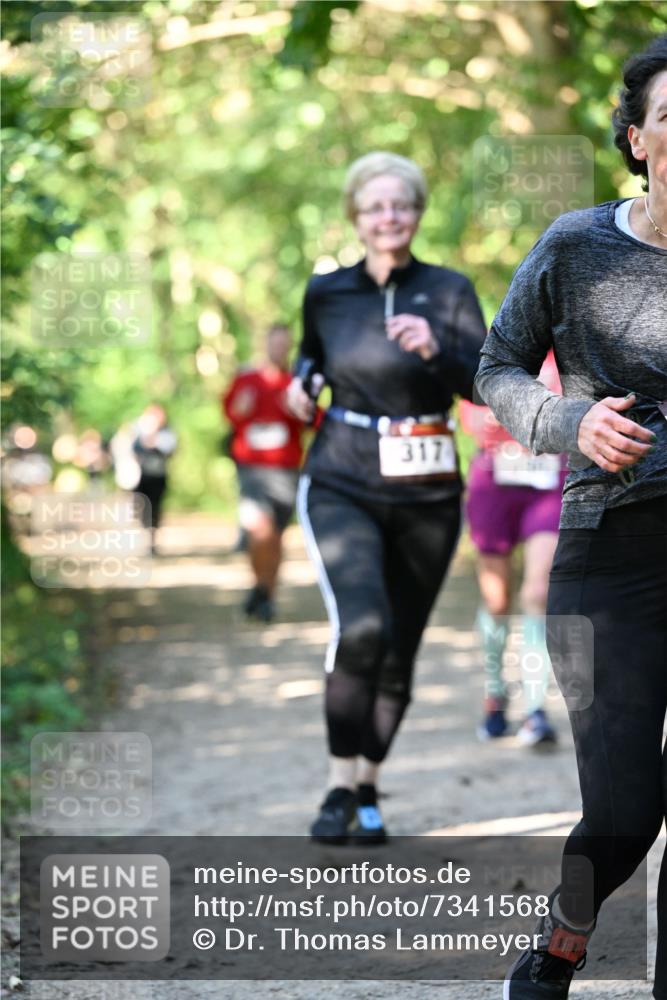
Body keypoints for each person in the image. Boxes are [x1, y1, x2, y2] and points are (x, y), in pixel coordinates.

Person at [474, 35, 666, 1000]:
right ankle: (558, 944)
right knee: (627, 811)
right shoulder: (575, 244)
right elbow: (494, 365)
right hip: (610, 558)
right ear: (638, 140)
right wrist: (566, 420)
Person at [287, 151, 486, 844]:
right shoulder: (328, 292)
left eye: (400, 204)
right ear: (356, 216)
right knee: (363, 626)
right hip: (342, 475)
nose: (388, 217)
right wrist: (300, 383)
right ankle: (338, 786)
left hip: (428, 488)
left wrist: (436, 349)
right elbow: (310, 358)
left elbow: (483, 382)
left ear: (417, 212)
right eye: (374, 207)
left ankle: (369, 788)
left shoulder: (449, 289)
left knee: (400, 646)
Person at [460, 350, 565, 747]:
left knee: (538, 591)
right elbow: (473, 417)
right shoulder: (496, 350)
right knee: (497, 599)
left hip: (549, 478)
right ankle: (495, 692)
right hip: (495, 481)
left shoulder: (566, 349)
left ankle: (535, 709)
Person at [223, 324, 312, 622]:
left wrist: (297, 409)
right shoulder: (247, 378)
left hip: (285, 470)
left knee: (275, 536)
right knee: (259, 529)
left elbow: (314, 420)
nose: (279, 349)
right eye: (274, 343)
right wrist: (241, 407)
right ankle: (260, 586)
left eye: (284, 344)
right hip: (252, 469)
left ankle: (266, 594)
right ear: (265, 344)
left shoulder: (295, 383)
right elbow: (229, 412)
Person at [131, 403, 177, 554]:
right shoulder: (139, 431)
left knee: (155, 507)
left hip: (159, 476)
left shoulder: (166, 434)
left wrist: (155, 442)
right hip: (142, 475)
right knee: (141, 506)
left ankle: (152, 537)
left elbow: (169, 450)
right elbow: (134, 448)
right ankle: (146, 529)